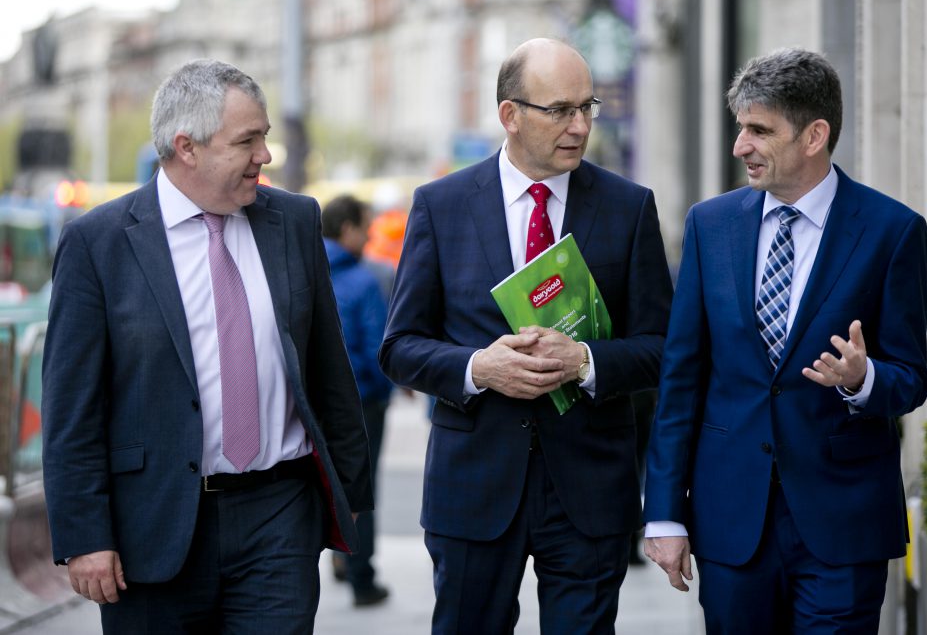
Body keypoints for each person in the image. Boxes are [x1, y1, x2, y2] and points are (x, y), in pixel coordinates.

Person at [41, 59, 373, 634]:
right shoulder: (98, 244)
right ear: (186, 147)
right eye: (247, 140)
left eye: (265, 136)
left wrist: (350, 496)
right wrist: (84, 537)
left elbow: (327, 369)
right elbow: (71, 408)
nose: (265, 155)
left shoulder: (295, 222)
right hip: (154, 528)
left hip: (279, 517)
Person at [379, 37, 674, 633]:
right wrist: (476, 368)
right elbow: (399, 347)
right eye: (561, 109)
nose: (581, 125)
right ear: (510, 115)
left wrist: (587, 361)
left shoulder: (627, 207)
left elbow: (663, 348)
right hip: (475, 488)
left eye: (587, 107)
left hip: (589, 488)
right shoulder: (442, 206)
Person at [643, 48, 927, 634]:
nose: (739, 146)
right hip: (731, 522)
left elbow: (911, 376)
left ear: (814, 135)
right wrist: (665, 515)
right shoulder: (709, 224)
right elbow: (681, 380)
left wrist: (863, 378)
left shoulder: (893, 231)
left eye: (759, 130)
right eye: (740, 128)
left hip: (842, 525)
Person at [321, 194, 393, 606]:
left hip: (314, 403)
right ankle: (361, 577)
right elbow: (375, 349)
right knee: (360, 488)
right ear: (347, 230)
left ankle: (337, 558)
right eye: (365, 227)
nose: (369, 237)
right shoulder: (364, 280)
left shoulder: (304, 269)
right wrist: (384, 394)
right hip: (361, 401)